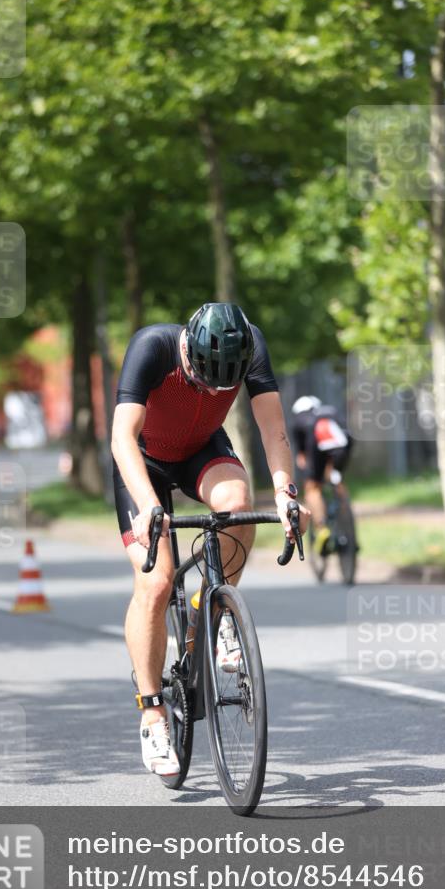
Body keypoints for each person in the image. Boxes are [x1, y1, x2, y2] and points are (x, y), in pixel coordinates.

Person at [111, 302, 310, 778]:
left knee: (239, 502)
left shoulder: (252, 343)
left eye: (225, 385)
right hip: (143, 462)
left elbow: (272, 428)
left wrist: (285, 495)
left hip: (200, 448)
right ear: (188, 350)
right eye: (203, 381)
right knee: (156, 583)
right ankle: (153, 714)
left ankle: (215, 610)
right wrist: (147, 505)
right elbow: (122, 437)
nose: (212, 390)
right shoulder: (151, 347)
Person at [290, 395, 353, 550]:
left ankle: (321, 528)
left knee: (313, 488)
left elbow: (302, 457)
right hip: (344, 444)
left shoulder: (299, 420)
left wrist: (311, 471)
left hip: (316, 445)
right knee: (336, 478)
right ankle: (347, 521)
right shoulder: (331, 411)